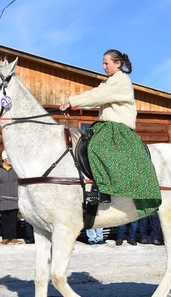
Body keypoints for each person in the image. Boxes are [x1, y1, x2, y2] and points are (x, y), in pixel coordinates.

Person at [59, 49, 161, 217]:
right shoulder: (111, 81)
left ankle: (103, 192)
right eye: (103, 63)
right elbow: (94, 94)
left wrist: (72, 101)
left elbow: (98, 96)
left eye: (106, 63)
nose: (103, 66)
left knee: (97, 146)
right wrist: (74, 104)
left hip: (117, 128)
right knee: (86, 144)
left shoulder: (121, 80)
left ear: (118, 64)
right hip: (106, 125)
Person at [0, 151, 22, 245]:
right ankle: (5, 238)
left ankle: (13, 237)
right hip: (3, 197)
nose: (9, 160)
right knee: (4, 219)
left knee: (13, 218)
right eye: (7, 158)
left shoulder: (16, 168)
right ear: (3, 159)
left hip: (14, 197)